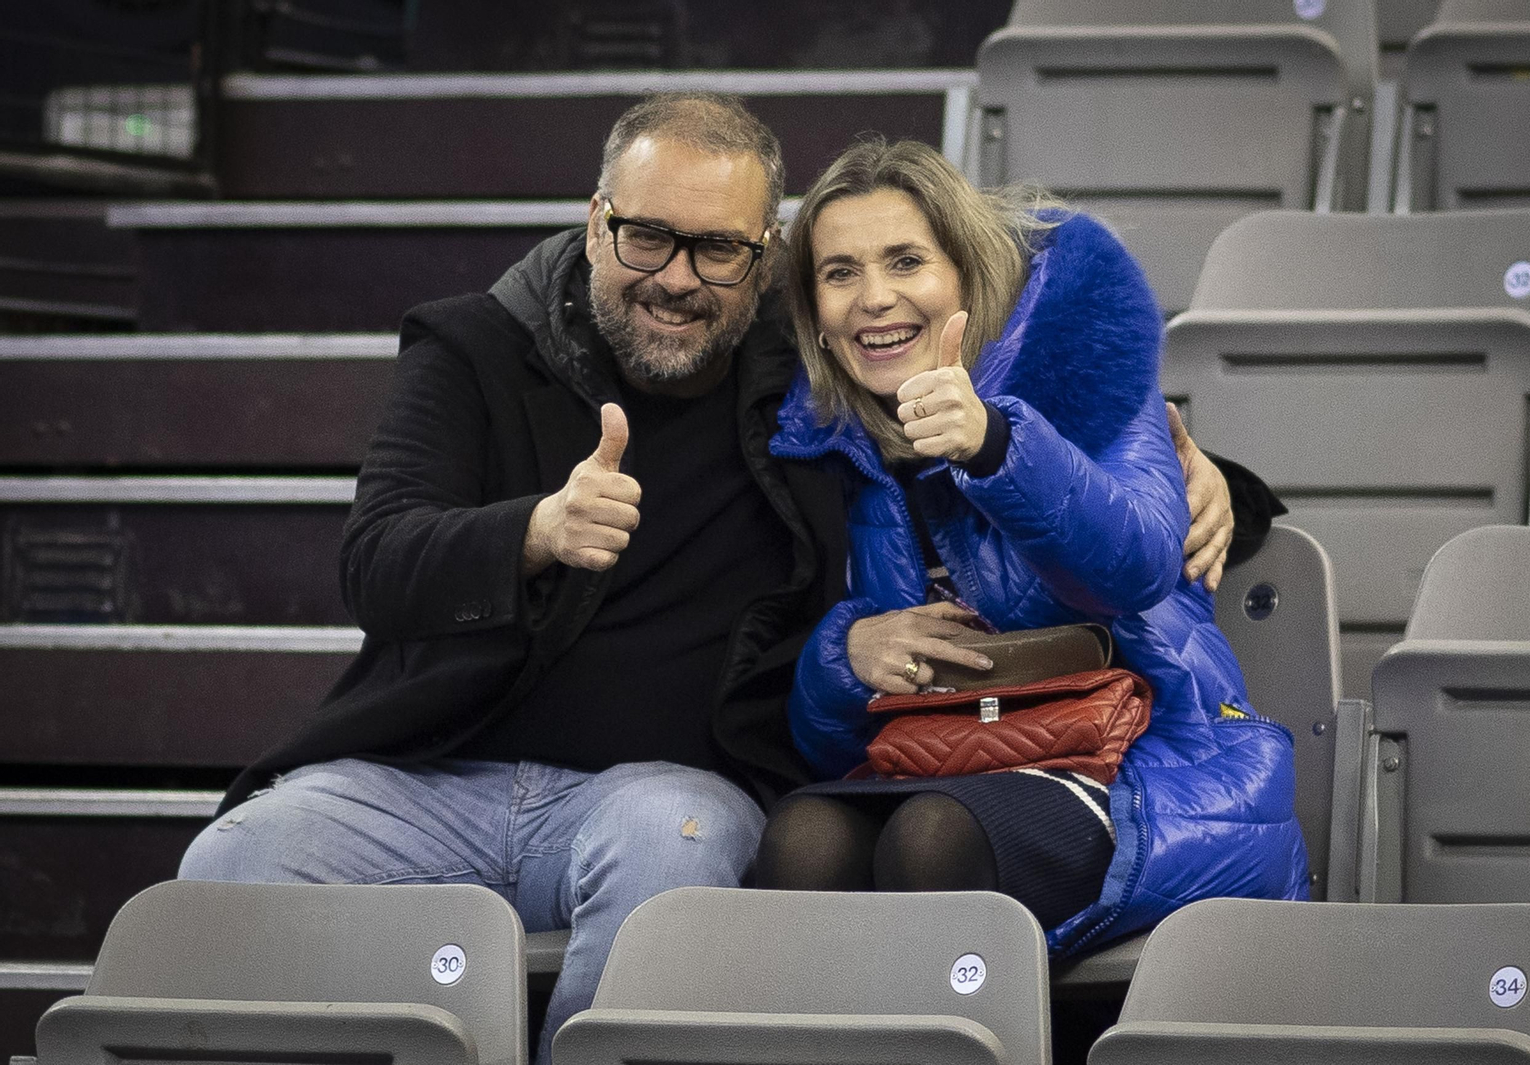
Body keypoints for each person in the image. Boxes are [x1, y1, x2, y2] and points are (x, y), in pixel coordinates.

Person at [176, 95, 1269, 1060]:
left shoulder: (797, 377)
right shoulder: (476, 351)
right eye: (647, 237)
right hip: (431, 774)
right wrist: (533, 532)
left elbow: (1072, 455)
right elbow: (375, 563)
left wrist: (1215, 477)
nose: (677, 280)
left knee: (683, 843)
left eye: (717, 251)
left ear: (759, 257)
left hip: (662, 791)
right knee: (230, 866)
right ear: (595, 218)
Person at [755, 138, 1308, 955]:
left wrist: (994, 443)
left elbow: (1138, 564)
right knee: (802, 838)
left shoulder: (1091, 382)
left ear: (968, 273)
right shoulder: (822, 444)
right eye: (840, 273)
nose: (874, 298)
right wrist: (844, 656)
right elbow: (828, 741)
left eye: (906, 261)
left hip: (1147, 766)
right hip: (952, 759)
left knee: (930, 839)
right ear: (814, 311)